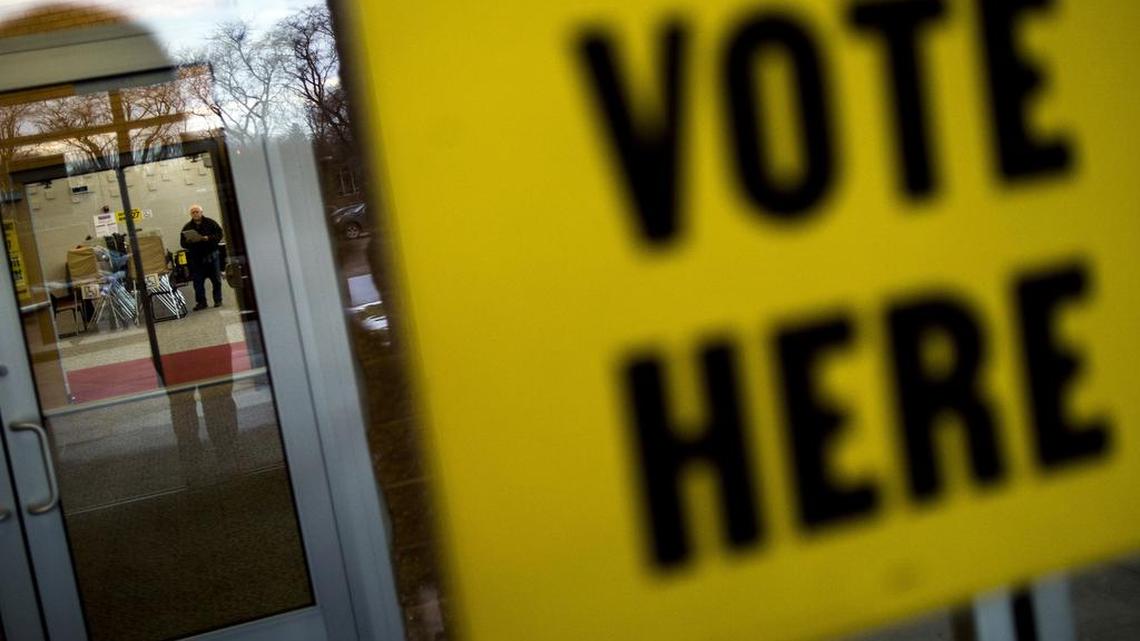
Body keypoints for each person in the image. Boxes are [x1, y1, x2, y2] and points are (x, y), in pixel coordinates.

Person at [180, 204, 224, 310]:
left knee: (216, 280)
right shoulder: (187, 227)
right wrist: (189, 241)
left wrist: (208, 238)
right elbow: (182, 243)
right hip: (196, 259)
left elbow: (219, 235)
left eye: (197, 211)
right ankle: (201, 302)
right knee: (198, 282)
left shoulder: (211, 223)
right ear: (191, 214)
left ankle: (218, 300)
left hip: (211, 256)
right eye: (193, 212)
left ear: (201, 212)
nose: (195, 214)